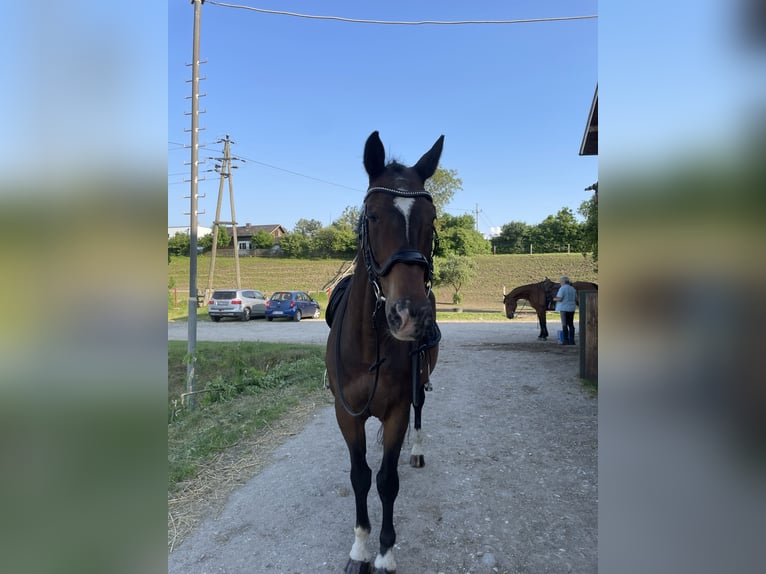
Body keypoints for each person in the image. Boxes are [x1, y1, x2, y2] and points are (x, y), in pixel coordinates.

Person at [553, 276, 577, 345]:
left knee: (564, 324)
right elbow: (575, 298)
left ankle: (565, 340)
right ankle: (572, 340)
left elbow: (560, 299)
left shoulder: (562, 288)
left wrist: (554, 299)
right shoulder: (573, 289)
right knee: (571, 324)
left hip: (564, 308)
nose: (560, 283)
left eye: (560, 282)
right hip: (572, 308)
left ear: (563, 282)